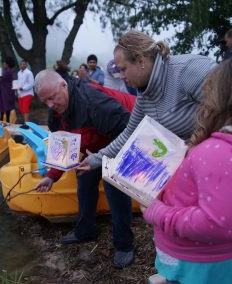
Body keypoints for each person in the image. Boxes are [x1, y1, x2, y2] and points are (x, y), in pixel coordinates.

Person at [34, 70, 138, 268]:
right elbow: (63, 147)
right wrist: (51, 177)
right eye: (45, 100)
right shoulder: (55, 111)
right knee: (84, 176)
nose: (50, 105)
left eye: (52, 98)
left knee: (112, 182)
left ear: (64, 85)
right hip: (100, 140)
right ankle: (85, 230)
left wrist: (102, 158)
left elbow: (127, 129)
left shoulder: (93, 102)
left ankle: (124, 244)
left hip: (125, 131)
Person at [142, 58, 232, 284]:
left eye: (207, 94)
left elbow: (216, 223)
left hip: (199, 266)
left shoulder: (216, 151)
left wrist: (157, 212)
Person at [80, 30, 217, 174]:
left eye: (123, 69)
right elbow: (129, 134)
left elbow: (224, 113)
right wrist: (97, 159)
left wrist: (195, 145)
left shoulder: (189, 70)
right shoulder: (144, 97)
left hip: (215, 161)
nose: (121, 76)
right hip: (187, 166)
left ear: (140, 61)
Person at [16, 60, 34, 126]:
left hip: (28, 93)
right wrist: (17, 90)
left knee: (25, 108)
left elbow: (31, 83)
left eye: (24, 64)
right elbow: (18, 82)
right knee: (21, 109)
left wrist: (23, 88)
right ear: (20, 65)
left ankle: (26, 124)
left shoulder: (29, 73)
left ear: (26, 65)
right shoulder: (19, 73)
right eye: (21, 64)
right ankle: (26, 122)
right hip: (20, 94)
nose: (22, 65)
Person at [0, 57, 16, 123]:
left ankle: (4, 120)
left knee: (5, 105)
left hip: (5, 91)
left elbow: (0, 81)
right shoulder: (9, 71)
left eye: (4, 63)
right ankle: (3, 120)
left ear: (7, 64)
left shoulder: (7, 72)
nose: (3, 64)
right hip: (6, 91)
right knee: (5, 105)